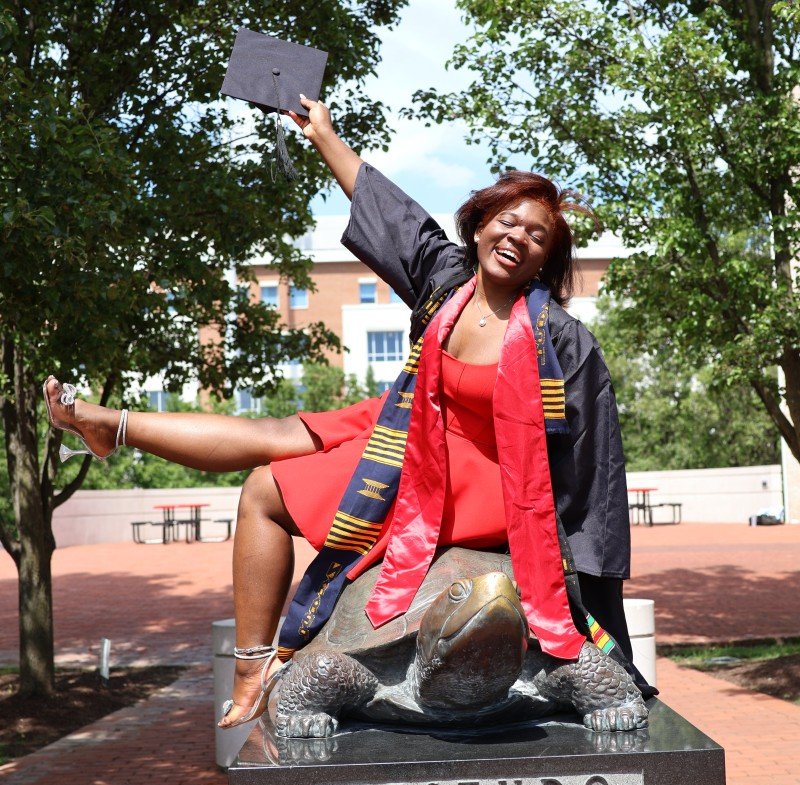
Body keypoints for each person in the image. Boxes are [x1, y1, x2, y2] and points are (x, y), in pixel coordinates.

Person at [44, 96, 647, 730]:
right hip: (412, 427)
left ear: (545, 260)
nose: (518, 238)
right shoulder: (446, 278)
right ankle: (111, 432)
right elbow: (393, 214)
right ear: (478, 228)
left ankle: (116, 439)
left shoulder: (563, 340)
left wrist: (597, 611)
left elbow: (594, 470)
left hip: (489, 482)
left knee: (265, 483)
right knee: (269, 464)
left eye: (537, 235)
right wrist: (323, 135)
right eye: (508, 221)